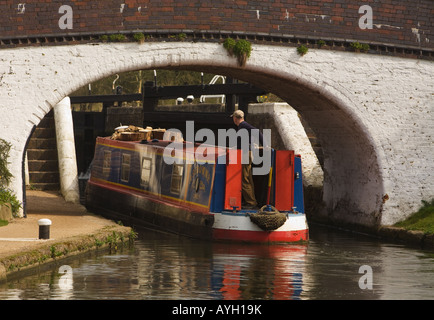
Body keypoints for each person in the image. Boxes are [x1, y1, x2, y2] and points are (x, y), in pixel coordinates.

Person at [230, 109, 264, 209]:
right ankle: (250, 200)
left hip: (246, 154)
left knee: (244, 178)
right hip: (247, 152)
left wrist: (265, 145)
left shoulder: (243, 126)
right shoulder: (242, 127)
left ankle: (251, 202)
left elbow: (257, 131)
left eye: (233, 118)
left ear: (235, 118)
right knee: (248, 177)